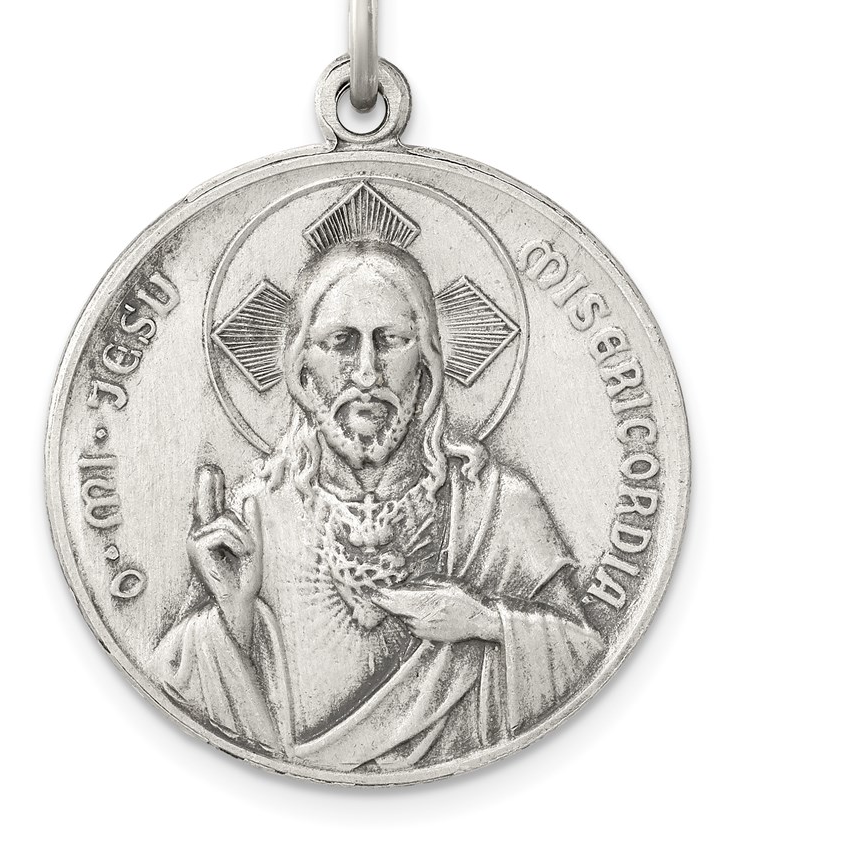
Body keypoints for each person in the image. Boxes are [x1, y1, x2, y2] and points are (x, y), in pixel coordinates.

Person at [152, 239, 603, 773]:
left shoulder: (497, 507)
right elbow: (176, 697)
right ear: (301, 367)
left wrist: (484, 622)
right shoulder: (251, 521)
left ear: (426, 361)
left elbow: (585, 661)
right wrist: (233, 611)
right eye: (340, 342)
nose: (366, 372)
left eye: (391, 341)